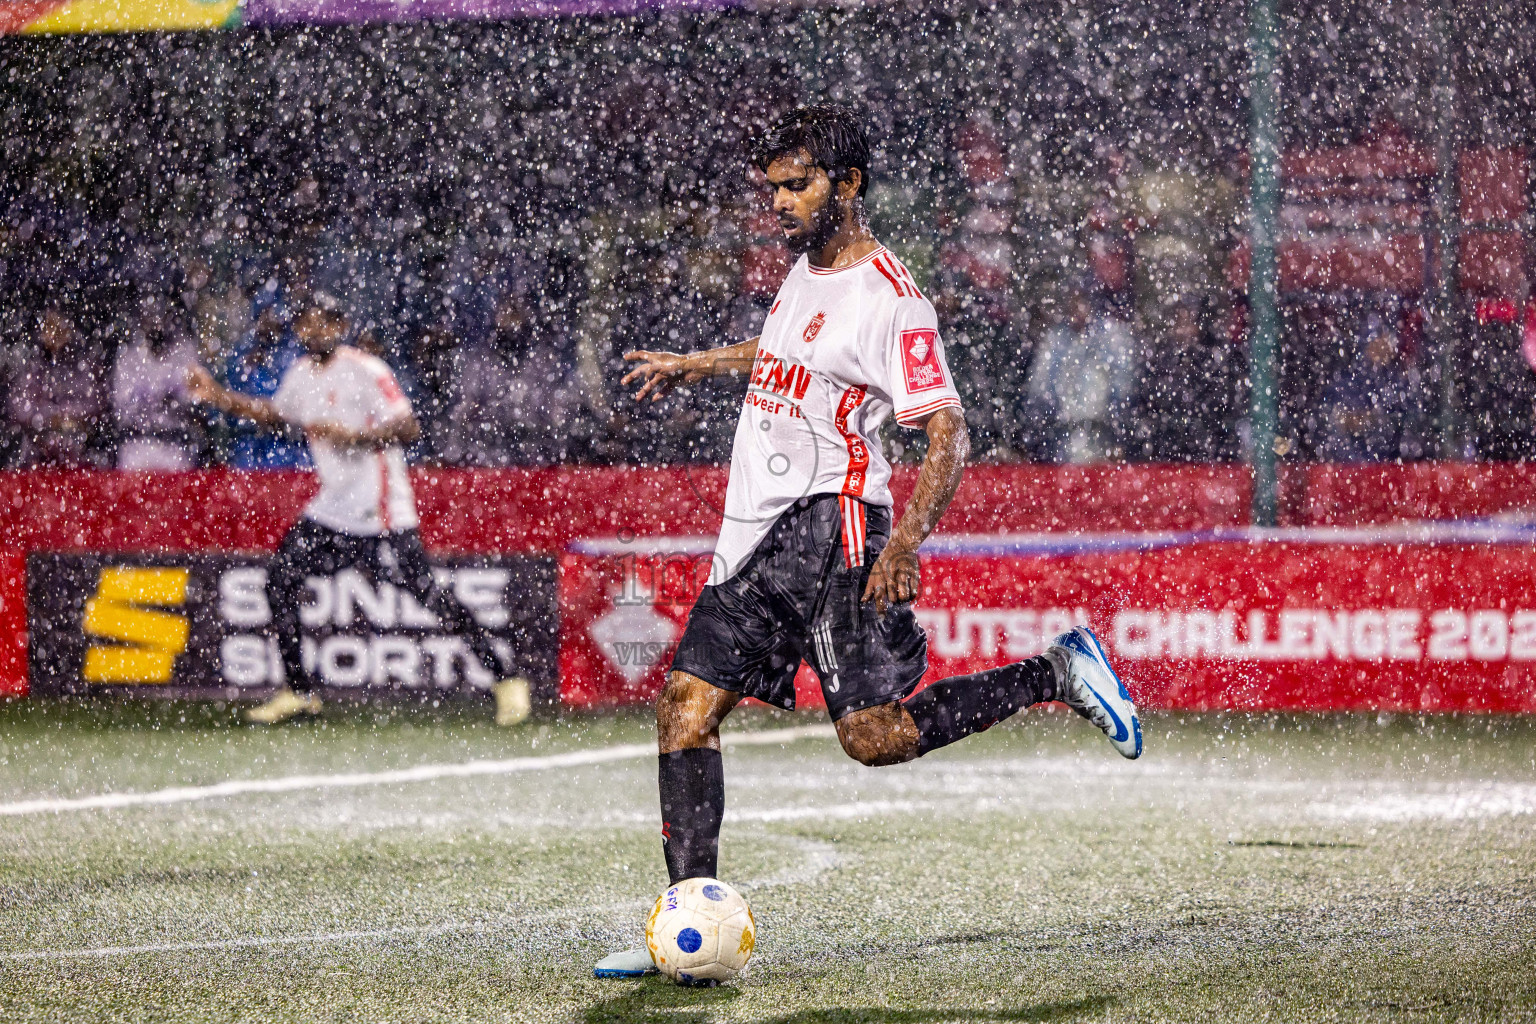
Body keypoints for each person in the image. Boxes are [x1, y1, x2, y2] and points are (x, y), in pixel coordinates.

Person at [593, 105, 1142, 979]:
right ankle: (684, 924)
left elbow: (948, 432)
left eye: (797, 185)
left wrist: (905, 543)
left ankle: (1056, 671)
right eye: (773, 187)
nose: (779, 202)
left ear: (847, 184)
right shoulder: (804, 268)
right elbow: (787, 351)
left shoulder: (894, 299)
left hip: (833, 525)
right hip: (756, 532)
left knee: (874, 735)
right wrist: (696, 364)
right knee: (685, 711)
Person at [185, 300, 532, 727]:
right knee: (280, 579)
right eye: (305, 324)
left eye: (322, 323)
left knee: (429, 595)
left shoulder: (366, 370)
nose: (313, 331)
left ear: (340, 326)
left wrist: (356, 437)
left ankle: (506, 677)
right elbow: (276, 415)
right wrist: (219, 397)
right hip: (335, 505)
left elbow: (409, 427)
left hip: (380, 509)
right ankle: (299, 692)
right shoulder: (300, 374)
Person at [113, 294, 202, 470]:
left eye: (160, 316)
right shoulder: (129, 357)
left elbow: (194, 401)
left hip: (175, 444)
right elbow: (122, 410)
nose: (155, 323)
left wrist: (164, 401)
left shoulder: (185, 352)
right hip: (137, 445)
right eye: (148, 317)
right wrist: (161, 400)